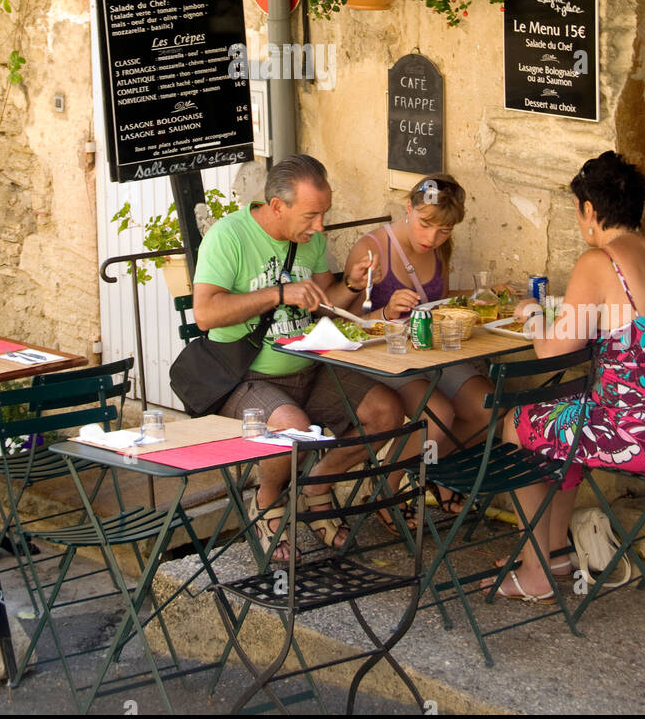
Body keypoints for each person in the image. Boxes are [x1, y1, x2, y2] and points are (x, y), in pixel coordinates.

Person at [487, 150, 645, 601]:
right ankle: (553, 552)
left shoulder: (600, 262)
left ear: (589, 210)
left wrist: (533, 315)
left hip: (639, 434)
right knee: (563, 418)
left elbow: (555, 348)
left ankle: (537, 569)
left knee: (517, 424)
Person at [192, 154, 404, 560]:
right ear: (277, 207)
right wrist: (277, 294)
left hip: (311, 367)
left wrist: (354, 285)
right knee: (292, 428)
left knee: (386, 411)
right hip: (245, 376)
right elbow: (205, 314)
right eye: (311, 216)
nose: (320, 226)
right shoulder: (229, 236)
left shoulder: (313, 242)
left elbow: (327, 306)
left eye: (323, 214)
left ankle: (317, 487)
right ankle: (267, 497)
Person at [342, 174, 494, 512]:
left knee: (487, 407)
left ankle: (430, 469)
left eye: (444, 231)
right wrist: (385, 310)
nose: (432, 237)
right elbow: (345, 324)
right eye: (425, 224)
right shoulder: (372, 248)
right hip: (386, 356)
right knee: (438, 413)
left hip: (430, 351)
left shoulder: (441, 248)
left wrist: (473, 300)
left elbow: (433, 304)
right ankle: (386, 489)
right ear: (408, 207)